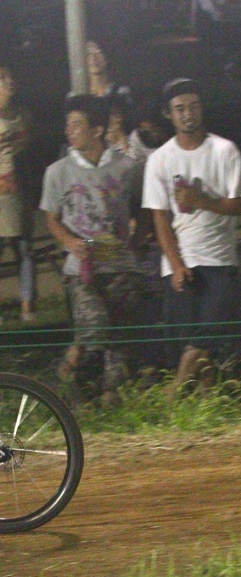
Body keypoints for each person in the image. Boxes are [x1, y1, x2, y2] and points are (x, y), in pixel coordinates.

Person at [142, 78, 241, 394]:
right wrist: (176, 265)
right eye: (180, 108)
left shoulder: (224, 150)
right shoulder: (160, 159)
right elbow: (160, 218)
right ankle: (207, 403)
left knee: (206, 334)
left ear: (202, 107)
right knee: (190, 342)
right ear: (169, 114)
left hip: (218, 256)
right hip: (180, 261)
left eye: (193, 106)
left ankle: (172, 397)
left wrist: (202, 201)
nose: (188, 114)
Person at [41, 95, 145, 405]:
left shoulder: (127, 168)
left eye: (76, 125)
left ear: (97, 130)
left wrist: (137, 243)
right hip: (81, 269)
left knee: (120, 339)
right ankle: (65, 371)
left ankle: (109, 400)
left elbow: (142, 210)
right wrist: (69, 242)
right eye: (68, 125)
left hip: (122, 266)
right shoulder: (58, 172)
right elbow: (51, 218)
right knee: (96, 327)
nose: (69, 131)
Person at [0, 65, 36, 322]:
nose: (8, 82)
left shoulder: (23, 115)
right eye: (2, 78)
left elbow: (30, 150)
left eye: (10, 77)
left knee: (24, 249)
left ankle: (27, 307)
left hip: (20, 188)